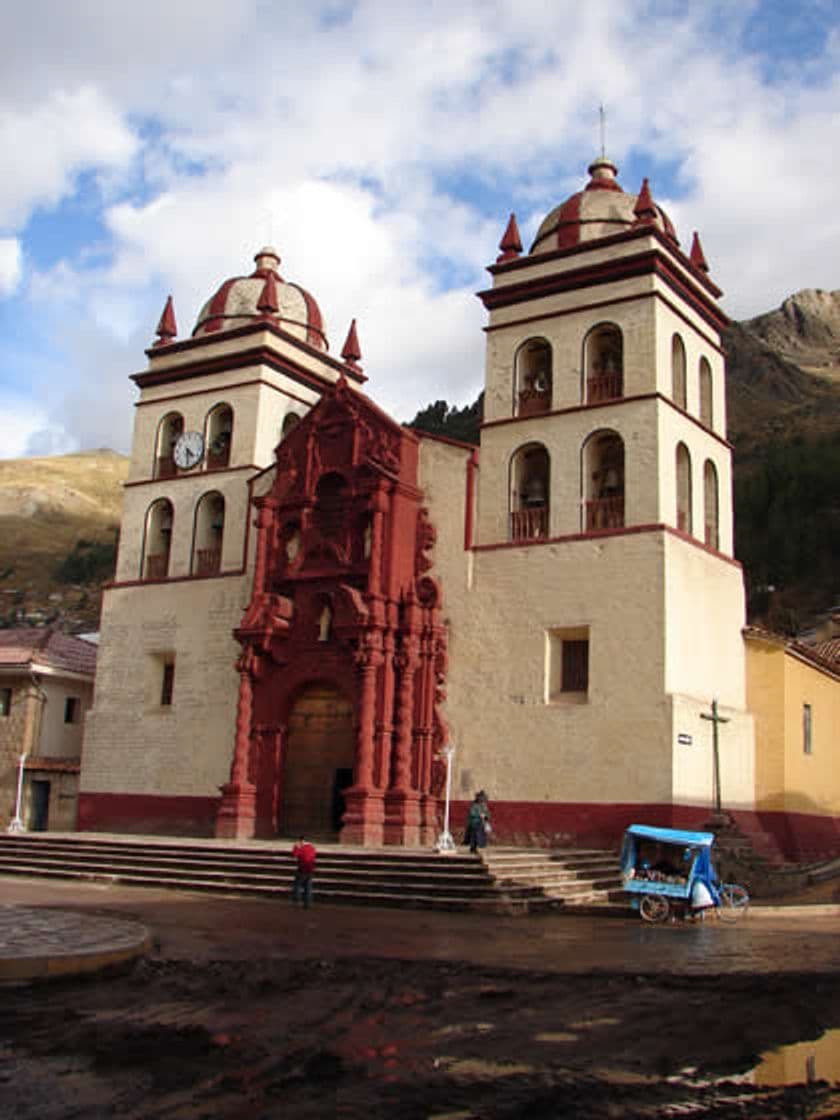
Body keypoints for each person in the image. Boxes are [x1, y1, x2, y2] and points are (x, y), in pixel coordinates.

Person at [291, 835, 316, 908]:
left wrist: (296, 847)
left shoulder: (301, 848)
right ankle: (307, 903)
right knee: (308, 887)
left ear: (301, 840)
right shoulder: (312, 847)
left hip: (302, 869)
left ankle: (297, 901)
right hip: (310, 869)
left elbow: (295, 855)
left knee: (297, 886)